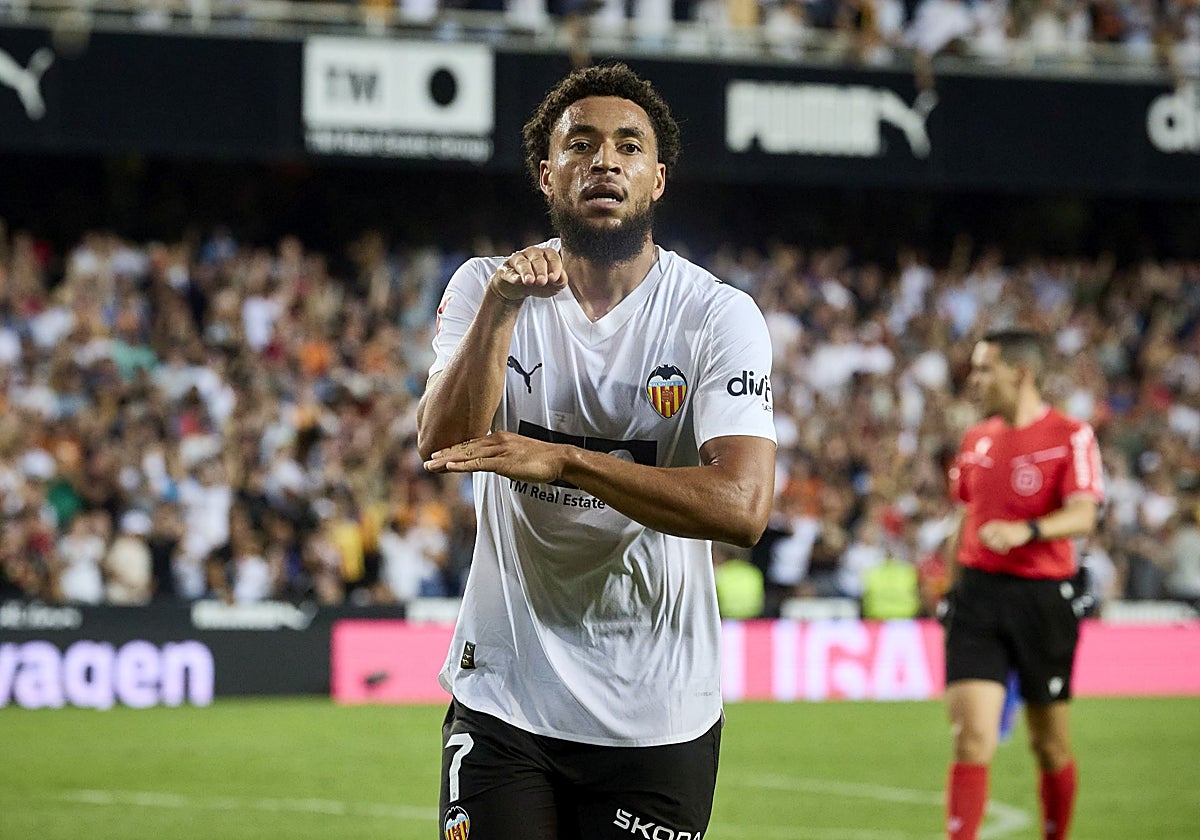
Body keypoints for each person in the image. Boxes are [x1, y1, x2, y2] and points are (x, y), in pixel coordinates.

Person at [418, 62, 777, 840]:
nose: (604, 160)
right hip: (506, 694)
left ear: (657, 180)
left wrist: (570, 462)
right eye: (579, 144)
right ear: (548, 177)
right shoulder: (487, 286)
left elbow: (744, 509)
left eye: (628, 146)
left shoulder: (716, 315)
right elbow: (442, 446)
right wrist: (502, 311)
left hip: (657, 711)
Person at [941, 328, 1104, 840]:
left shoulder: (1071, 435)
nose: (976, 379)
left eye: (986, 368)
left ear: (1020, 372)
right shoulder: (976, 439)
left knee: (1048, 745)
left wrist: (1026, 531)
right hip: (977, 598)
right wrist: (949, 587)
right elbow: (966, 517)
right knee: (972, 737)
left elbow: (1083, 515)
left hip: (1041, 599)